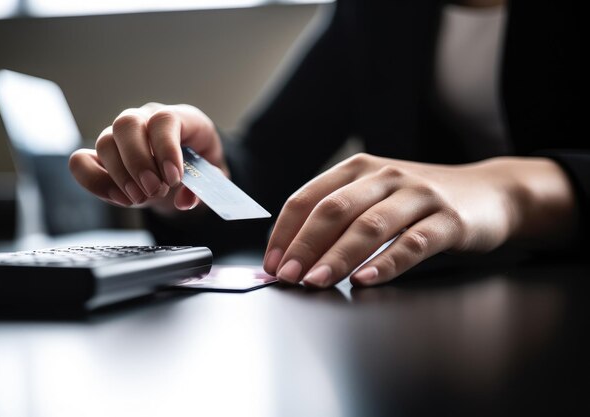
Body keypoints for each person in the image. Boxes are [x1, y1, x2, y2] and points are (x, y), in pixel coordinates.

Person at [69, 0, 587, 288]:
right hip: (433, 320)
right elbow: (270, 167)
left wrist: (510, 190)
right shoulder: (378, 12)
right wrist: (197, 175)